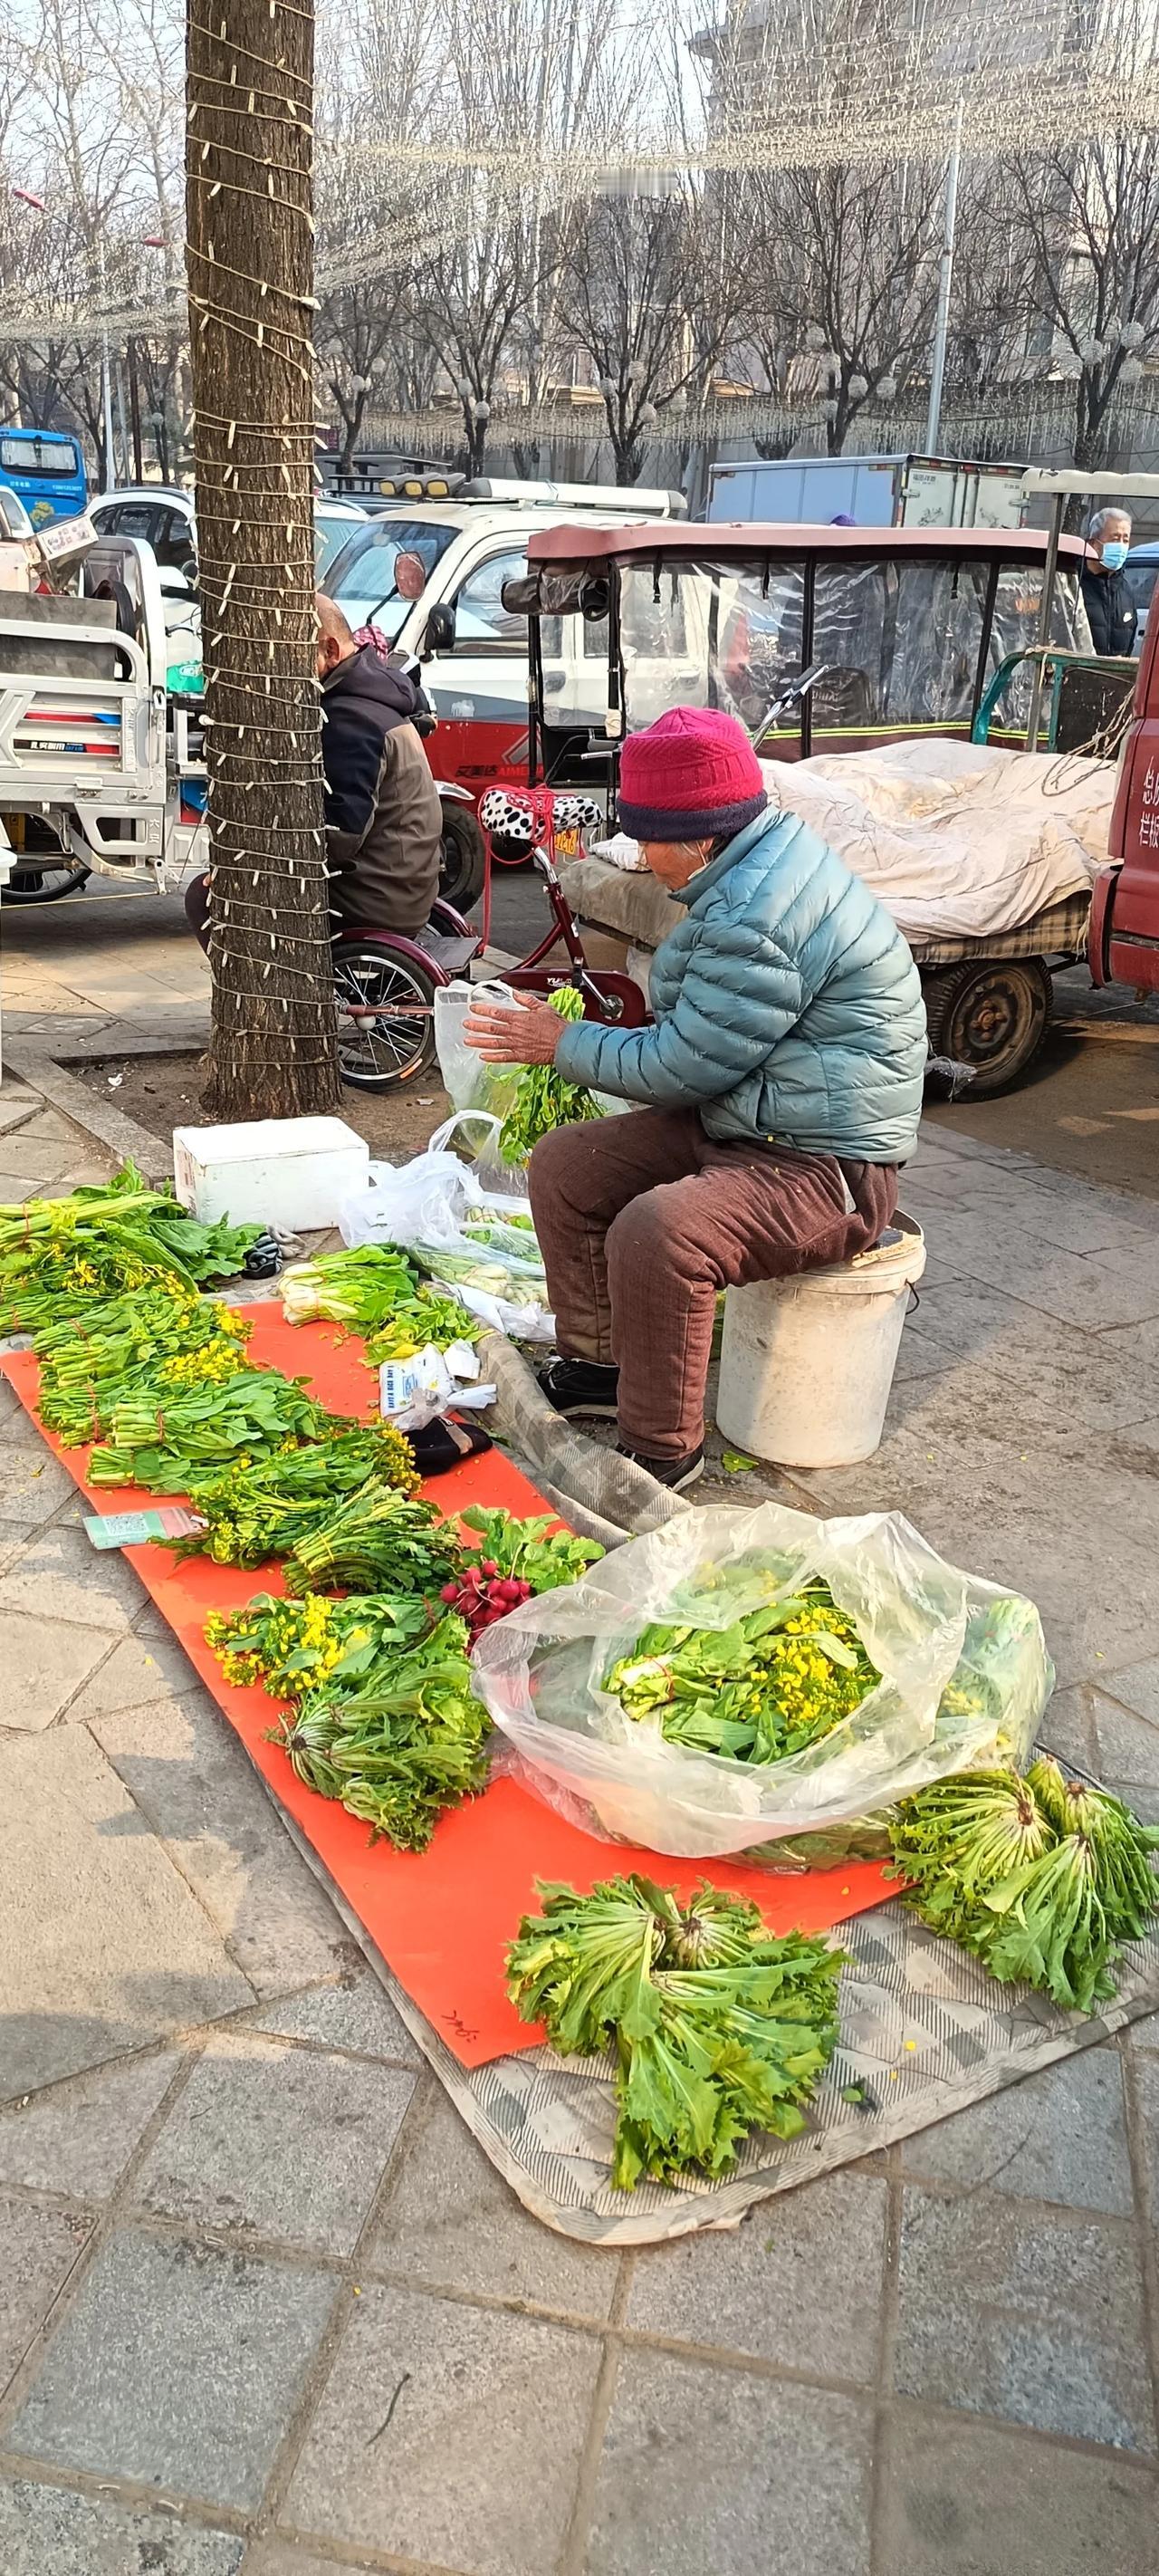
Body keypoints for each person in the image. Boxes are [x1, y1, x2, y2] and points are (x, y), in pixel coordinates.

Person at [465, 705, 927, 1489]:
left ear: (700, 837)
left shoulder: (758, 914)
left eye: (647, 836)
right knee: (569, 1165)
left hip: (824, 1166)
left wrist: (562, 1044)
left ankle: (661, 1451)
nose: (641, 853)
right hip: (751, 1121)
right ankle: (600, 1368)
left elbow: (684, 1067)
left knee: (659, 1234)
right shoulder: (749, 865)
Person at [184, 592, 442, 953]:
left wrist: (250, 863)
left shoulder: (350, 720)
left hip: (376, 901)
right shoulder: (376, 699)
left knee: (207, 897)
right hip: (401, 887)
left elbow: (339, 836)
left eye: (292, 659)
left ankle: (267, 998)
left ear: (330, 651)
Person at [1080, 508, 1137, 657]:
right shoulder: (1074, 585)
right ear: (1094, 543)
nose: (1121, 546)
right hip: (1075, 675)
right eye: (1115, 538)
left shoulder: (1126, 590)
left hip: (1114, 677)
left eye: (1125, 540)